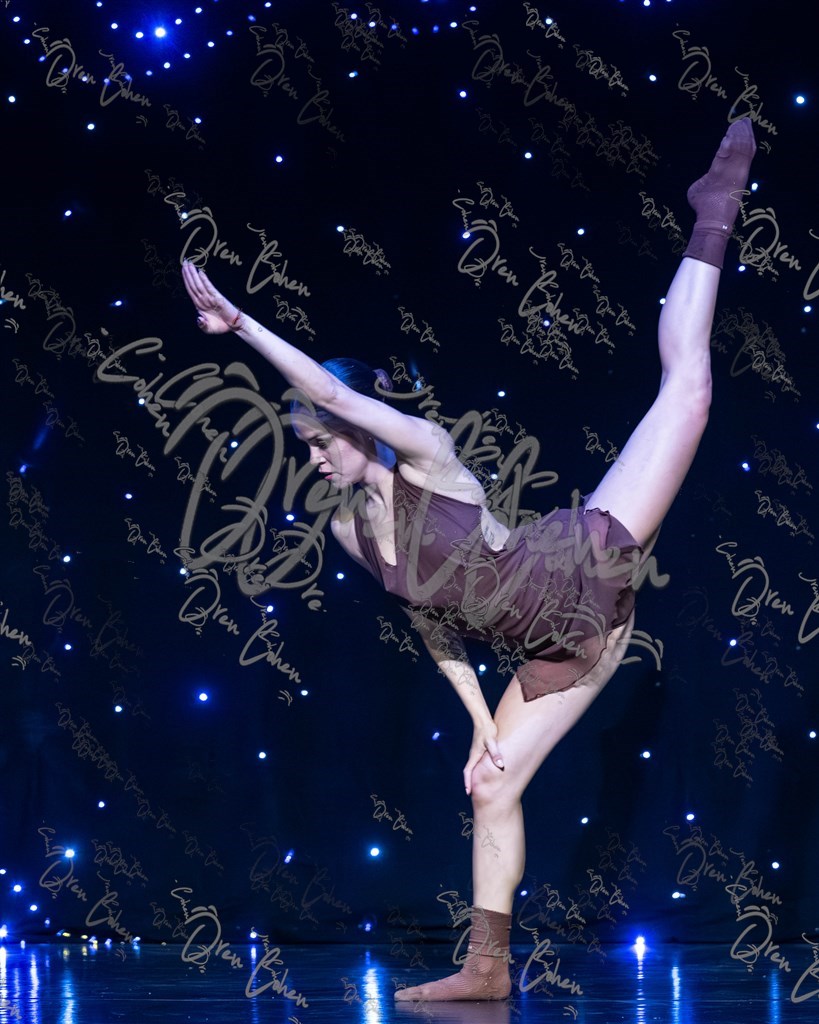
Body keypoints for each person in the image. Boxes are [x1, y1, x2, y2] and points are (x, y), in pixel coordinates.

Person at [181, 116, 756, 1001]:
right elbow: (433, 626)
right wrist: (481, 722)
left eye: (321, 439)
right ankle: (486, 970)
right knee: (489, 784)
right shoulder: (346, 532)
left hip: (577, 570)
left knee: (687, 391)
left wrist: (242, 325)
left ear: (357, 426)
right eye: (305, 445)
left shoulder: (426, 456)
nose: (314, 456)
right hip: (550, 647)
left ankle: (713, 209)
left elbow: (327, 388)